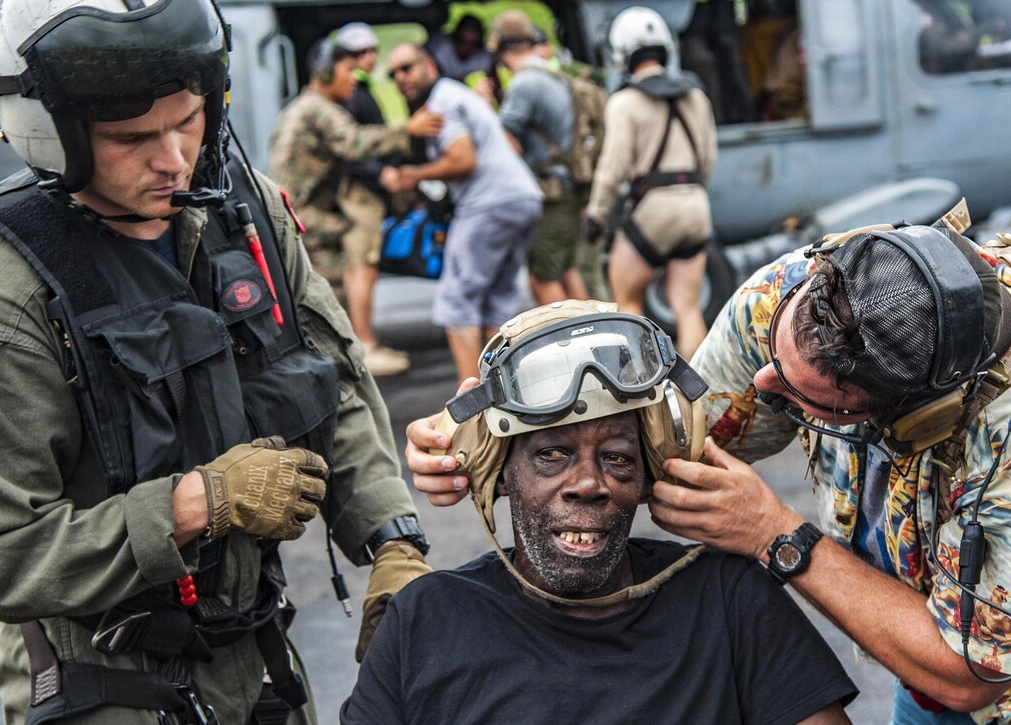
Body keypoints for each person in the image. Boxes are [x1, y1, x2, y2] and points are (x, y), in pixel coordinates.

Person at [0, 1, 433, 722]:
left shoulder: (238, 209)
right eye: (132, 137)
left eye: (188, 119)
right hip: (110, 687)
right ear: (50, 131)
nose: (173, 158)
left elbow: (327, 377)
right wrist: (195, 504)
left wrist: (393, 541)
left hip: (261, 668)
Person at [405, 204, 1011, 723]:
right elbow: (660, 442)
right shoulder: (796, 294)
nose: (764, 381)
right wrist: (478, 433)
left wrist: (776, 536)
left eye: (802, 402)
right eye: (774, 352)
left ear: (904, 415)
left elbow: (969, 674)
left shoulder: (1001, 442)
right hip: (921, 685)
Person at [346, 300, 857, 723]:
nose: (589, 484)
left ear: (647, 476)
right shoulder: (426, 618)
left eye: (616, 457)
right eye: (551, 454)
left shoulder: (727, 600)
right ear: (500, 472)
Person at [268, 37, 442, 376]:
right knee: (331, 293)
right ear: (324, 73)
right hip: (308, 218)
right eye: (348, 70)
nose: (355, 78)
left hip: (298, 214)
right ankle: (343, 365)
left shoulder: (300, 107)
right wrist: (408, 129)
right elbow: (354, 142)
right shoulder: (319, 109)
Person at [380, 43, 542, 382]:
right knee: (498, 301)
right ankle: (506, 388)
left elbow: (463, 160)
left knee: (457, 303)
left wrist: (413, 175)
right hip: (522, 197)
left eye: (407, 68)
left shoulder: (442, 101)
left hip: (488, 202)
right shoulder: (459, 94)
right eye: (393, 74)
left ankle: (474, 403)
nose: (400, 78)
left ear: (430, 66)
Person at [584, 7, 718, 361]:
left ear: (621, 54)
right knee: (687, 308)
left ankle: (639, 392)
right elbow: (707, 160)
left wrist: (596, 215)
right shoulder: (696, 97)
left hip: (652, 210)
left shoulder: (624, 103)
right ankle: (705, 396)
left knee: (627, 303)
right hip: (694, 205)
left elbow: (613, 169)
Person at [489, 10, 590, 306]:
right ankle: (597, 337)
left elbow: (502, 141)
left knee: (543, 279)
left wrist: (485, 107)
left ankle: (567, 346)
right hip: (570, 187)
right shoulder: (551, 75)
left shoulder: (524, 83)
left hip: (552, 194)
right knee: (568, 272)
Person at [334, 22, 414, 376]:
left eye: (370, 51)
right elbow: (350, 151)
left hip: (368, 193)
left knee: (366, 266)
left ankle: (364, 341)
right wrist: (381, 173)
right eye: (357, 54)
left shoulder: (359, 90)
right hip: (360, 194)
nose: (367, 58)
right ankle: (364, 345)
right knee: (361, 266)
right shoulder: (347, 97)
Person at [424, 14, 493, 84]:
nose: (466, 47)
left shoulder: (485, 59)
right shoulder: (439, 46)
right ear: (453, 36)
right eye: (462, 40)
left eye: (472, 43)